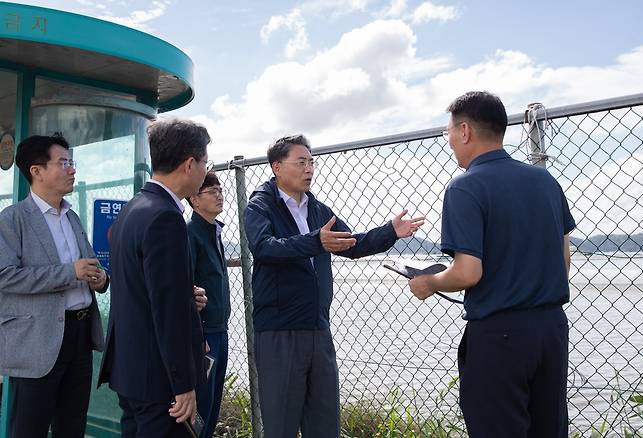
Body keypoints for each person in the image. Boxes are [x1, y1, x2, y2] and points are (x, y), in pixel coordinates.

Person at [409, 91, 575, 438]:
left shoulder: (466, 186)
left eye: (449, 132)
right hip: (551, 330)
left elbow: (468, 271)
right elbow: (564, 257)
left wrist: (430, 283)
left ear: (465, 131)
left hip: (500, 335)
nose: (450, 140)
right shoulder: (544, 180)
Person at [245, 134, 425, 438]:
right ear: (277, 166)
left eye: (311, 162)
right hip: (280, 331)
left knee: (325, 423)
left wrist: (391, 231)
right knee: (281, 426)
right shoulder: (260, 205)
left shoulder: (317, 209)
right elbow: (264, 247)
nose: (309, 169)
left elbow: (352, 244)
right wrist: (315, 242)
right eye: (301, 162)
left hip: (318, 327)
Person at [98, 118, 211, 437]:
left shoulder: (134, 207)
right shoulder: (166, 217)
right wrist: (183, 385)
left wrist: (183, 294)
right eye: (205, 162)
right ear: (190, 164)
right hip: (159, 380)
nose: (205, 170)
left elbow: (139, 288)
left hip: (131, 371)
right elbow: (168, 310)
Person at [0, 135, 108, 437]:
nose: (72, 169)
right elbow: (5, 276)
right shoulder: (13, 219)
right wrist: (68, 273)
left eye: (71, 163)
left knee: (72, 425)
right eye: (64, 163)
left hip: (80, 335)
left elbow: (89, 265)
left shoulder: (71, 216)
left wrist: (101, 279)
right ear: (37, 171)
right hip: (37, 340)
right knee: (29, 428)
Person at [186, 172, 240, 438]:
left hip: (220, 330)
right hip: (205, 334)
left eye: (220, 189)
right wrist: (197, 333)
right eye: (211, 191)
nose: (219, 195)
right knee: (199, 408)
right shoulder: (191, 233)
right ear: (194, 199)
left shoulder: (213, 231)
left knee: (212, 405)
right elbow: (185, 291)